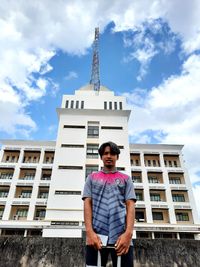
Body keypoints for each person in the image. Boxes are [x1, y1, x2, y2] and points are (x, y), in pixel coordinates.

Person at [82, 141, 136, 267]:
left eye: (112, 153)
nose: (109, 156)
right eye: (105, 153)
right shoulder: (92, 178)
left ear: (117, 156)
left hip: (121, 237)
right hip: (96, 237)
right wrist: (89, 233)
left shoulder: (126, 179)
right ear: (101, 157)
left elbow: (130, 206)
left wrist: (128, 234)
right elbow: (87, 203)